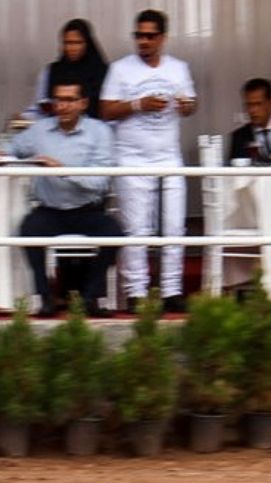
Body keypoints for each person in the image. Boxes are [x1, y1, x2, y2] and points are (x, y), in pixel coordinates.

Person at [101, 8, 197, 314]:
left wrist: (186, 104)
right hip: (131, 158)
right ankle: (137, 292)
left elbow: (190, 106)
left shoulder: (179, 68)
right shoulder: (120, 69)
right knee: (136, 230)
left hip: (169, 156)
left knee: (173, 227)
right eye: (138, 35)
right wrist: (138, 104)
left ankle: (171, 290)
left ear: (163, 38)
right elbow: (105, 111)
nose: (143, 41)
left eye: (149, 36)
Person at [7, 76, 119, 318]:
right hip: (51, 210)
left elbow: (100, 181)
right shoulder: (40, 130)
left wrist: (63, 171)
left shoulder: (100, 133)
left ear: (83, 103)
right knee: (28, 230)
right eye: (58, 100)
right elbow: (13, 147)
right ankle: (46, 298)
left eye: (70, 100)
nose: (63, 106)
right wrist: (3, 155)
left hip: (87, 209)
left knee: (115, 233)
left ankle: (91, 298)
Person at [22, 18, 109, 121]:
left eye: (77, 43)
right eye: (67, 43)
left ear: (88, 44)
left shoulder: (104, 73)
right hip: (55, 130)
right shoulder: (51, 71)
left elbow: (108, 112)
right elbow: (38, 108)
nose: (72, 48)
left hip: (92, 131)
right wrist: (23, 118)